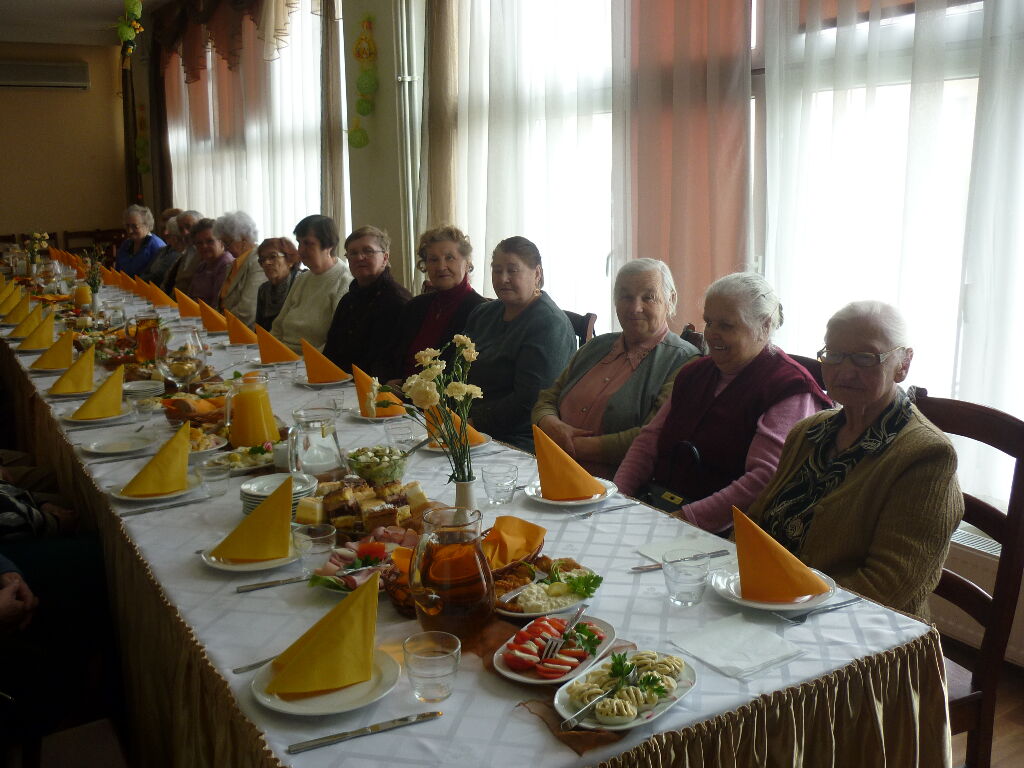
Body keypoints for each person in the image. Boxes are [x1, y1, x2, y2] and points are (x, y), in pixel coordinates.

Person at [745, 302, 963, 618]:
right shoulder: (808, 432)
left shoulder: (927, 455)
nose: (845, 371)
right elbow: (756, 523)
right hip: (772, 602)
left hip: (859, 628)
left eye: (865, 357)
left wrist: (785, 604)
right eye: (833, 355)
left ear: (903, 364)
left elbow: (888, 586)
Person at [615, 272, 832, 533]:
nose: (711, 334)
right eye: (709, 322)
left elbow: (764, 478)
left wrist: (683, 519)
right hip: (662, 510)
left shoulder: (790, 389)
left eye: (726, 326)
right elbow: (648, 441)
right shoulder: (695, 372)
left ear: (764, 326)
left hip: (725, 533)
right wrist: (617, 498)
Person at [532, 259, 701, 478]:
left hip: (612, 484)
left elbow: (653, 436)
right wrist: (550, 424)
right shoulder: (596, 346)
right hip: (546, 467)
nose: (635, 308)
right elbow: (547, 398)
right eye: (626, 297)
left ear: (671, 300)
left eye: (648, 297)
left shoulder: (683, 361)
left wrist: (570, 446)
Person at [463, 236, 576, 451]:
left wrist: (472, 422)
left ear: (537, 274)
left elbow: (529, 401)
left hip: (518, 438)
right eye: (497, 270)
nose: (503, 278)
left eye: (512, 270)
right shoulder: (483, 313)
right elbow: (457, 368)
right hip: (469, 426)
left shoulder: (549, 324)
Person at [381, 225, 487, 385]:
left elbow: (471, 375)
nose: (441, 267)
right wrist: (387, 383)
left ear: (466, 263)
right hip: (396, 394)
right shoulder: (414, 306)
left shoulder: (481, 312)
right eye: (433, 259)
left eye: (449, 258)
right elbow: (389, 356)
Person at [323, 225, 412, 374]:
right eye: (353, 253)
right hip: (337, 380)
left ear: (385, 258)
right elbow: (330, 351)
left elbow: (388, 362)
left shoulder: (397, 301)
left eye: (368, 251)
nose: (359, 257)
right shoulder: (348, 300)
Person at [272, 214, 352, 351]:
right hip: (283, 355)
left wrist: (301, 360)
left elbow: (336, 340)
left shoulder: (345, 281)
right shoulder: (302, 278)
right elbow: (278, 327)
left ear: (329, 245)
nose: (301, 250)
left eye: (308, 243)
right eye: (299, 243)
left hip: (312, 359)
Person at [215, 211, 267, 326]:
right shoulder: (235, 263)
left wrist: (220, 324)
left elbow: (247, 311)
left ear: (244, 239)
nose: (225, 249)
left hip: (241, 330)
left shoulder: (258, 262)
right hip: (226, 325)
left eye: (227, 243)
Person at [254, 237, 301, 330]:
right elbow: (259, 328)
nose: (266, 263)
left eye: (273, 257)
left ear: (290, 260)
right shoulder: (263, 290)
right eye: (262, 260)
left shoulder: (300, 284)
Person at [186, 218, 235, 307]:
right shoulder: (202, 265)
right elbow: (190, 296)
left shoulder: (226, 265)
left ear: (221, 242)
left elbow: (217, 304)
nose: (204, 246)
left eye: (210, 241)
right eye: (199, 243)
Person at [114, 205, 166, 277]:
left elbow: (157, 277)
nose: (130, 231)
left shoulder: (157, 246)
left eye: (134, 226)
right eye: (127, 226)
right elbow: (117, 271)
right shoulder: (126, 244)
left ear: (147, 225)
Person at [163, 209, 203, 294]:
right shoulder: (186, 251)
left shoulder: (206, 253)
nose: (185, 233)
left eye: (189, 227)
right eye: (181, 229)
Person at [140, 216, 183, 286]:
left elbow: (158, 276)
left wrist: (140, 281)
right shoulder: (162, 249)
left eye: (169, 230)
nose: (165, 233)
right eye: (164, 229)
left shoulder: (177, 254)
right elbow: (147, 270)